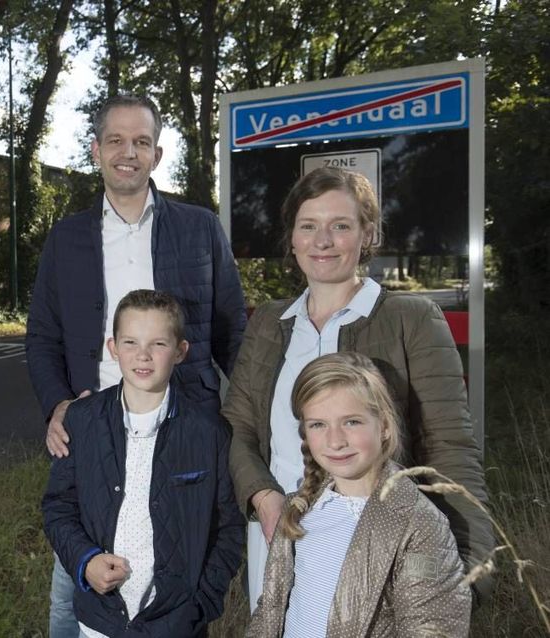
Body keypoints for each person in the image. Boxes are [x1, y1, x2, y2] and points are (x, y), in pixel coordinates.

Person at [26, 94, 247, 636]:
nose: (129, 152)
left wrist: (246, 423)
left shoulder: (200, 229)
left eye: (142, 142)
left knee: (177, 572)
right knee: (73, 590)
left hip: (183, 431)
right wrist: (58, 404)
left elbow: (232, 332)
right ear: (97, 150)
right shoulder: (67, 239)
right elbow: (42, 337)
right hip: (96, 433)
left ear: (157, 153)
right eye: (117, 141)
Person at [224, 166, 493, 609]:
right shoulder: (269, 324)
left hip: (377, 554)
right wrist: (264, 498)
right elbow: (238, 428)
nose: (323, 241)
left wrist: (468, 574)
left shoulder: (412, 320)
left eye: (341, 226)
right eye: (308, 226)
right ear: (292, 237)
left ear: (368, 234)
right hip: (277, 544)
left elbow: (450, 450)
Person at [42, 289, 244, 637]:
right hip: (100, 619)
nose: (143, 355)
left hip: (175, 623)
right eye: (131, 342)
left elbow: (227, 528)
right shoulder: (82, 420)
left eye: (159, 344)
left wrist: (200, 604)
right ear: (113, 348)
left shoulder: (208, 432)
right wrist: (85, 560)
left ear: (181, 352)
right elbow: (59, 505)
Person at [247, 352, 471, 636]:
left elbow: (430, 628)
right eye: (318, 424)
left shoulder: (419, 525)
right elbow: (271, 608)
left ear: (385, 426)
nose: (336, 441)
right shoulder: (298, 510)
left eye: (352, 422)